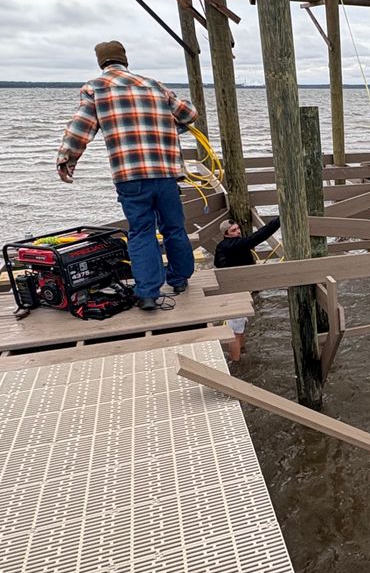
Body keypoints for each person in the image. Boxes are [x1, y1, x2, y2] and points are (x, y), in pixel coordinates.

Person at [56, 41, 197, 311]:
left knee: (142, 232)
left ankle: (147, 294)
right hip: (166, 173)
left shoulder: (96, 88)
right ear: (125, 60)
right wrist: (167, 127)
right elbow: (189, 114)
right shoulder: (154, 85)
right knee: (174, 228)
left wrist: (66, 160)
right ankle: (179, 280)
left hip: (130, 176)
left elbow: (80, 129)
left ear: (102, 63)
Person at [214, 215, 281, 361]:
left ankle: (241, 354)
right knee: (235, 332)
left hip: (236, 290)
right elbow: (258, 236)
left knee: (240, 326)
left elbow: (218, 265)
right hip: (235, 293)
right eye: (233, 230)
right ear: (226, 234)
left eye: (238, 228)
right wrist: (279, 221)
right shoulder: (234, 245)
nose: (238, 232)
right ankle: (236, 363)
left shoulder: (221, 247)